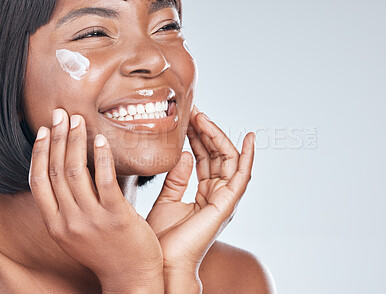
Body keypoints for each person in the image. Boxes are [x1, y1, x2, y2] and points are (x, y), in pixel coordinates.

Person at [0, 0, 275, 293]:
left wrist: (170, 274)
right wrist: (134, 281)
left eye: (167, 26)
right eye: (94, 33)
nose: (155, 59)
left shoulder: (234, 278)